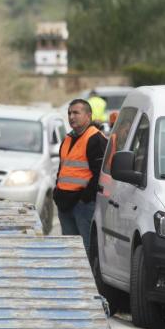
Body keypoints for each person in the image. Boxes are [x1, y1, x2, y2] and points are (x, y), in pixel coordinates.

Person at [52, 99, 107, 255]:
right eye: (69, 113)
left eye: (76, 112)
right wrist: (57, 192)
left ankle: (86, 279)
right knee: (69, 250)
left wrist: (85, 198)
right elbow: (63, 169)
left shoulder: (95, 139)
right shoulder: (68, 138)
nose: (71, 116)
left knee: (84, 251)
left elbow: (99, 175)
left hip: (82, 205)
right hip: (65, 203)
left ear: (88, 115)